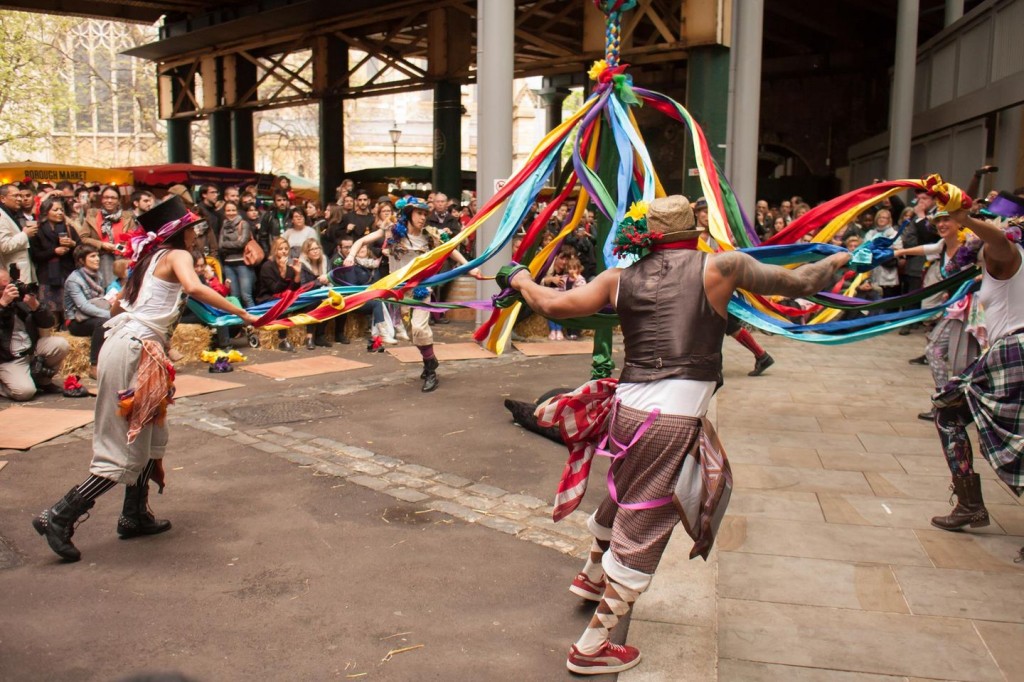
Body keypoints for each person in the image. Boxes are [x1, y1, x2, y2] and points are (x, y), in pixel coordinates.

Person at [507, 195, 849, 674]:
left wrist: (519, 278)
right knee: (647, 520)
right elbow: (804, 283)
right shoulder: (722, 266)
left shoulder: (618, 278)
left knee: (626, 491)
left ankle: (590, 576)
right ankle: (592, 646)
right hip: (669, 420)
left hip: (627, 412)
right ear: (693, 231)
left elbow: (552, 304)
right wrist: (839, 259)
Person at [32, 195, 259, 562]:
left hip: (131, 346)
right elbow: (194, 288)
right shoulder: (177, 255)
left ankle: (134, 514)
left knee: (150, 433)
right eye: (192, 229)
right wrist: (242, 314)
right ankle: (59, 515)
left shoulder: (146, 260)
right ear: (180, 232)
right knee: (124, 442)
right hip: (134, 350)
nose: (196, 235)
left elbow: (116, 305)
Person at [925, 208, 1022, 560]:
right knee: (949, 411)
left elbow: (999, 241)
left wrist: (966, 219)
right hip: (1012, 353)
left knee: (947, 410)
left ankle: (970, 505)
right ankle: (969, 504)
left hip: (1014, 352)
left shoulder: (1006, 254)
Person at [346, 196, 479, 391]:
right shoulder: (392, 230)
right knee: (412, 334)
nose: (423, 217)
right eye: (419, 213)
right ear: (408, 214)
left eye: (425, 213)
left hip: (420, 289)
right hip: (398, 292)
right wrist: (350, 256)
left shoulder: (430, 234)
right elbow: (362, 240)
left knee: (419, 329)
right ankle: (429, 359)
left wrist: (470, 267)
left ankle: (430, 369)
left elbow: (450, 249)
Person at [895, 210, 985, 421]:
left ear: (959, 222)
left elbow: (990, 264)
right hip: (955, 309)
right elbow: (926, 249)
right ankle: (947, 402)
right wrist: (897, 253)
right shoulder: (943, 246)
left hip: (973, 310)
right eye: (938, 221)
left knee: (963, 360)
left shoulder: (972, 244)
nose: (942, 224)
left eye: (947, 219)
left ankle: (959, 406)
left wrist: (980, 276)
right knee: (936, 351)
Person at [694, 197, 775, 376]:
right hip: (700, 288)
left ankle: (719, 364)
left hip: (717, 287)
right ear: (697, 214)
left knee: (722, 323)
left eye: (710, 212)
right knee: (725, 324)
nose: (707, 216)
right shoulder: (692, 236)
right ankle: (761, 356)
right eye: (704, 212)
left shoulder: (719, 237)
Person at [0, 266, 69, 401]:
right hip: (8, 358)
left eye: (10, 284)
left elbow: (49, 323)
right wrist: (2, 305)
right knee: (25, 392)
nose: (9, 290)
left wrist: (36, 307)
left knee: (60, 344)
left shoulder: (20, 299)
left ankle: (43, 382)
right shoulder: (4, 302)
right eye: (3, 288)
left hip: (30, 349)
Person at [30, 195, 81, 323]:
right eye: (55, 210)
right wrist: (54, 251)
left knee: (69, 312)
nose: (59, 213)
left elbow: (82, 249)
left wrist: (73, 244)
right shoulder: (37, 231)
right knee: (50, 315)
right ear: (46, 212)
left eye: (61, 210)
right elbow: (35, 255)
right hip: (47, 277)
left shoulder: (69, 229)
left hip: (67, 274)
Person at [64, 244, 110, 379]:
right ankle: (94, 365)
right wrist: (110, 314)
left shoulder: (98, 275)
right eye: (92, 256)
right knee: (103, 323)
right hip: (76, 320)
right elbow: (83, 306)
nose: (97, 259)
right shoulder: (74, 280)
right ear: (81, 260)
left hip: (95, 315)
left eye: (97, 256)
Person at [257, 236, 301, 352]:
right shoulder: (267, 267)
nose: (284, 251)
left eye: (286, 249)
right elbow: (275, 289)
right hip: (267, 298)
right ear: (275, 250)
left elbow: (294, 288)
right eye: (280, 249)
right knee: (281, 304)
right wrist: (282, 272)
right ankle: (282, 340)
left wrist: (297, 274)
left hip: (285, 297)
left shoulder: (289, 267)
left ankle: (312, 337)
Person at [218, 200, 256, 308]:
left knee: (246, 296)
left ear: (237, 211)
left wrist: (226, 244)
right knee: (235, 297)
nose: (231, 213)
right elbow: (220, 245)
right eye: (228, 210)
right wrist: (233, 244)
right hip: (228, 264)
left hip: (243, 263)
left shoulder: (243, 224)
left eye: (233, 210)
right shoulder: (224, 225)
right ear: (225, 212)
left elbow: (241, 243)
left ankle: (255, 318)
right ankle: (238, 318)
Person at [0, 183, 37, 286]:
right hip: (13, 273)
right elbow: (4, 246)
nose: (20, 199)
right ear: (3, 198)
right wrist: (25, 234)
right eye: (16, 196)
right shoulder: (1, 216)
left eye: (20, 196)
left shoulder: (10, 214)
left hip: (21, 270)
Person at [297, 238, 332, 349]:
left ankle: (320, 336)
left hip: (324, 293)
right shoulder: (302, 265)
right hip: (306, 297)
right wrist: (319, 282)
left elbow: (331, 278)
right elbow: (303, 287)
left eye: (317, 248)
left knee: (331, 303)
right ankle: (310, 336)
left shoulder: (325, 260)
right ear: (306, 252)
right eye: (312, 249)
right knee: (315, 303)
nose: (316, 251)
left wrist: (328, 281)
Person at [258, 190, 292, 257]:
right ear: (274, 203)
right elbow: (262, 237)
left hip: (290, 252)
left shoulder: (292, 215)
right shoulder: (268, 216)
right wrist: (268, 254)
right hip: (274, 253)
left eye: (284, 200)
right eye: (279, 200)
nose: (282, 203)